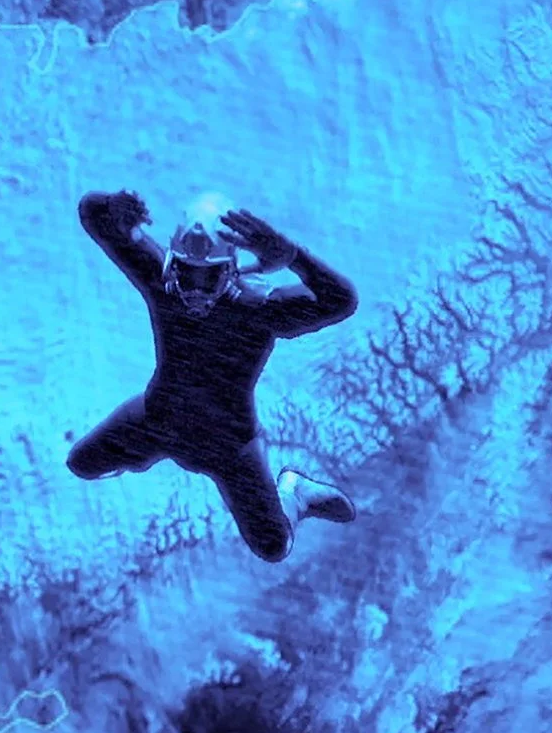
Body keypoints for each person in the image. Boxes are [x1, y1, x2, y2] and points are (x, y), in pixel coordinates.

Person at [68, 190, 358, 562]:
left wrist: (296, 257)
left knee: (273, 546)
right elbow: (93, 217)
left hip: (227, 446)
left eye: (208, 279)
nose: (195, 291)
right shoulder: (168, 285)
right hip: (161, 422)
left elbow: (341, 302)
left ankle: (294, 492)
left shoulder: (256, 308)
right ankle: (152, 456)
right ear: (173, 264)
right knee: (82, 464)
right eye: (187, 277)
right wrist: (111, 207)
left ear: (230, 270)